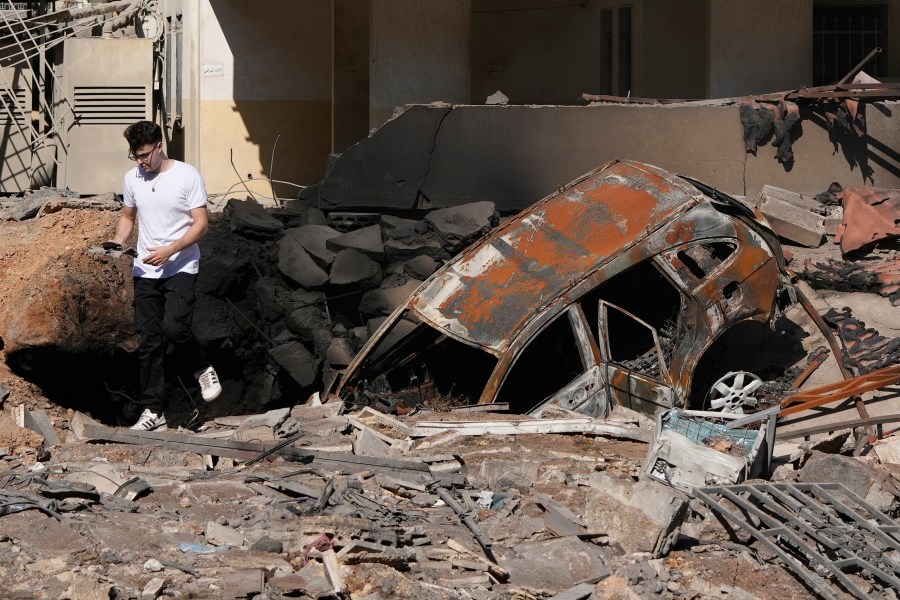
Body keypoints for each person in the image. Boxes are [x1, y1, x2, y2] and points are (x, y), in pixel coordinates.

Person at [108, 120, 222, 431]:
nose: (140, 162)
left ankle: (202, 367)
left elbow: (201, 224)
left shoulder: (187, 175)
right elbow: (127, 216)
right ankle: (153, 411)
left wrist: (170, 249)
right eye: (135, 156)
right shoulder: (133, 178)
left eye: (144, 154)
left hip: (180, 265)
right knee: (149, 342)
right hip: (145, 269)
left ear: (160, 146)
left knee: (174, 328)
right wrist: (118, 241)